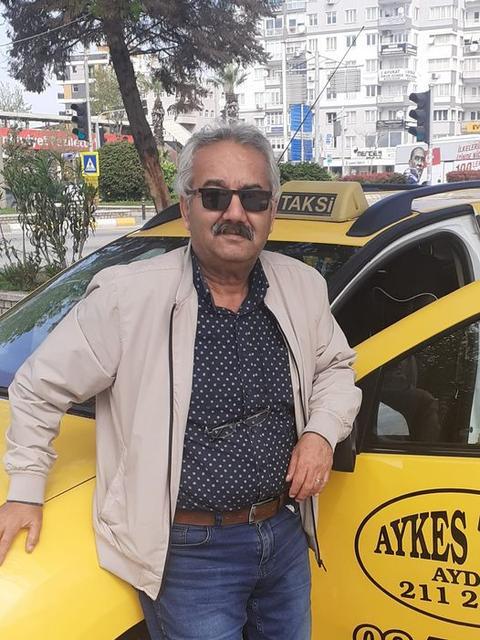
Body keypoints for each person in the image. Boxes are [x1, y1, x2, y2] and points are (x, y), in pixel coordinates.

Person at [0, 123, 361, 640]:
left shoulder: (301, 286)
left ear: (271, 211)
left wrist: (321, 433)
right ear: (187, 207)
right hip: (189, 556)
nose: (235, 213)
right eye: (215, 196)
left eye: (253, 198)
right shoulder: (128, 298)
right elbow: (38, 387)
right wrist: (26, 490)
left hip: (282, 535)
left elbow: (336, 369)